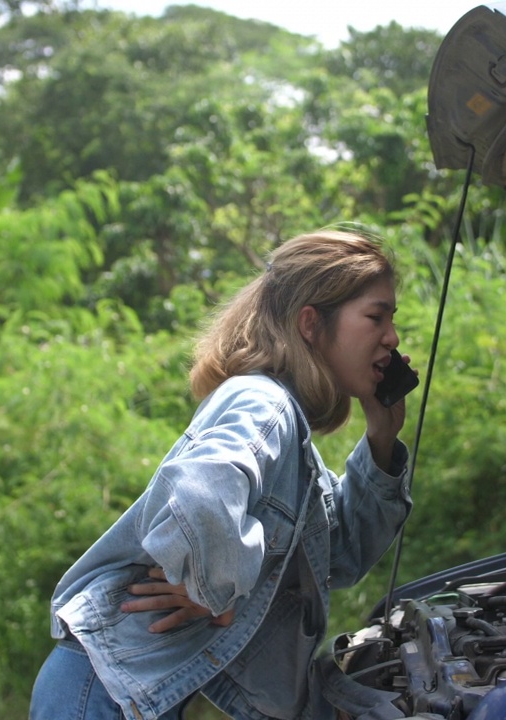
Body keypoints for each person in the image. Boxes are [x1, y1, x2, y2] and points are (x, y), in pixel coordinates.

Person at [30, 229, 414, 720]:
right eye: (375, 316)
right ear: (311, 324)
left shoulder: (291, 434)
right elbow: (201, 490)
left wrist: (382, 439)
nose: (392, 338)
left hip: (120, 694)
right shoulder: (264, 403)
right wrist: (215, 593)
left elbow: (337, 557)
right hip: (101, 696)